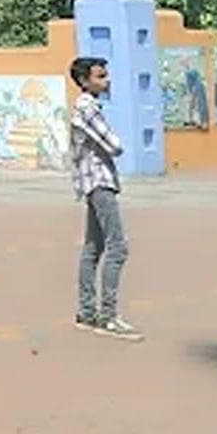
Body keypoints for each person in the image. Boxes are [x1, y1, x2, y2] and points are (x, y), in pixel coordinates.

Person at [69, 56, 142, 341]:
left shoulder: (86, 107)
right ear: (85, 81)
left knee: (93, 248)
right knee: (117, 248)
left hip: (92, 183)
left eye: (105, 75)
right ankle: (108, 317)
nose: (106, 80)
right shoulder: (87, 109)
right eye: (100, 76)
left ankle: (86, 312)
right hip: (100, 183)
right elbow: (115, 145)